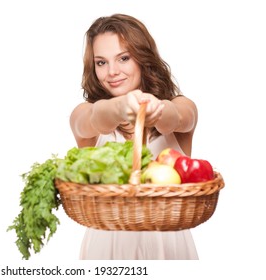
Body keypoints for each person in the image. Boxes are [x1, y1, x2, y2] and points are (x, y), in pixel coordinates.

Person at [69, 14, 199, 260]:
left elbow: (181, 117)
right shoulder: (84, 113)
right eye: (101, 63)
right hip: (106, 249)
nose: (112, 72)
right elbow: (93, 118)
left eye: (124, 58)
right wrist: (119, 108)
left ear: (143, 58)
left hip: (170, 248)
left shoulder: (180, 104)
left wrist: (156, 110)